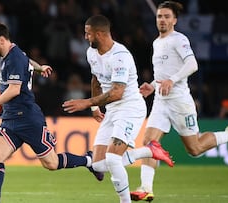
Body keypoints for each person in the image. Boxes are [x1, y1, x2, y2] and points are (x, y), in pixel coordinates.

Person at [130, 1, 228, 202]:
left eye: (166, 16)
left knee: (194, 149)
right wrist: (153, 85)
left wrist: (173, 80)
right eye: (159, 16)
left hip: (180, 102)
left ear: (174, 20)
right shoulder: (156, 42)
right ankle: (146, 187)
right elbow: (164, 74)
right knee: (148, 142)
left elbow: (192, 64)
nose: (162, 19)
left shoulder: (179, 39)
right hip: (161, 100)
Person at [0, 21, 102, 203]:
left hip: (28, 119)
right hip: (10, 119)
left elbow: (14, 90)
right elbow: (26, 59)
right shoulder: (13, 52)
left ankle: (89, 161)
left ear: (1, 40)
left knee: (52, 163)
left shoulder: (14, 58)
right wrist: (39, 67)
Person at [62, 15, 173, 203]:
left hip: (130, 108)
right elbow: (96, 79)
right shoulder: (91, 52)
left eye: (88, 34)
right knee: (98, 165)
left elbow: (117, 92)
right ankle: (149, 151)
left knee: (113, 159)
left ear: (99, 34)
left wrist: (87, 102)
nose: (85, 37)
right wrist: (95, 106)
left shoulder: (120, 56)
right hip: (112, 110)